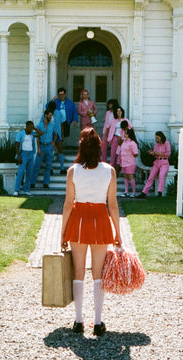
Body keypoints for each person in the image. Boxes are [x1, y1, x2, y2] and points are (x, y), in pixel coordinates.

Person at [61, 127, 122, 337]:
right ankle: (98, 322)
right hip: (100, 220)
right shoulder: (110, 171)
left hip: (78, 220)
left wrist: (62, 233)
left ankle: (78, 320)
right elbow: (113, 206)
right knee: (98, 274)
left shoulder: (73, 171)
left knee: (78, 272)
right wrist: (118, 233)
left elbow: (68, 205)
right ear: (99, 147)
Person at [48, 87, 78, 175]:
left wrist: (74, 119)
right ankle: (51, 168)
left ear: (65, 94)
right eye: (60, 94)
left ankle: (61, 166)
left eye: (63, 94)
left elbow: (74, 111)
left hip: (65, 122)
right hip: (50, 132)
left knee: (61, 141)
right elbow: (48, 107)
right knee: (51, 150)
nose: (61, 96)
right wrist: (52, 101)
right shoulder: (54, 106)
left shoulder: (69, 103)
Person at [137, 131, 171, 199]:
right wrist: (152, 153)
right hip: (157, 162)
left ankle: (160, 192)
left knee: (161, 176)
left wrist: (157, 153)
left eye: (158, 138)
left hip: (164, 162)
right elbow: (155, 153)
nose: (157, 139)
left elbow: (168, 154)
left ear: (161, 137)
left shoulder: (166, 143)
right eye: (156, 138)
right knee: (151, 177)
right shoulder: (156, 144)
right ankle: (144, 192)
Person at [13, 121, 43, 196]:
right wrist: (18, 156)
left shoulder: (32, 134)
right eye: (30, 127)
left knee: (29, 172)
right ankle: (16, 190)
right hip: (23, 154)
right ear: (26, 126)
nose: (31, 129)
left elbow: (41, 133)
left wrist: (35, 128)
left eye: (32, 127)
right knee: (21, 172)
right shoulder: (20, 134)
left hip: (31, 154)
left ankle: (27, 189)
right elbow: (17, 145)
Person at [30, 109, 57, 189]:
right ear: (45, 115)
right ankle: (32, 182)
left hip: (49, 146)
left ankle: (46, 183)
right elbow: (37, 137)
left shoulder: (52, 125)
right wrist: (38, 148)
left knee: (48, 165)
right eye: (49, 115)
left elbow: (56, 134)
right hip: (42, 146)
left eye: (51, 115)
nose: (51, 117)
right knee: (37, 165)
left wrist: (53, 142)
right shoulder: (39, 125)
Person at [119, 128, 139, 198]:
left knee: (130, 177)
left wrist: (130, 157)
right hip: (123, 162)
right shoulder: (124, 142)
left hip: (130, 163)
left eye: (125, 133)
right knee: (125, 177)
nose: (124, 134)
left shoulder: (132, 143)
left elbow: (136, 153)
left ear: (129, 135)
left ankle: (134, 192)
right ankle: (126, 191)